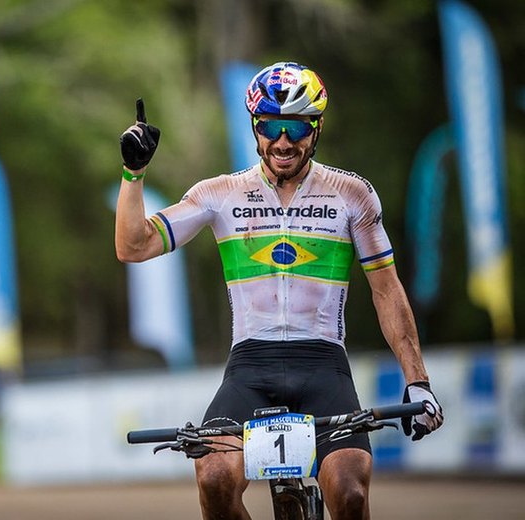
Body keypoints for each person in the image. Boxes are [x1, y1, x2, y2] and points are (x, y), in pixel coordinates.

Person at [115, 61, 443, 520]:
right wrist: (134, 173)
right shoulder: (221, 193)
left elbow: (386, 291)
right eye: (271, 126)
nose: (283, 141)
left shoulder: (352, 195)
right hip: (249, 367)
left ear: (317, 127)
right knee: (213, 478)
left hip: (324, 366)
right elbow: (133, 246)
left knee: (349, 495)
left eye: (295, 126)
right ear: (256, 126)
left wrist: (418, 382)